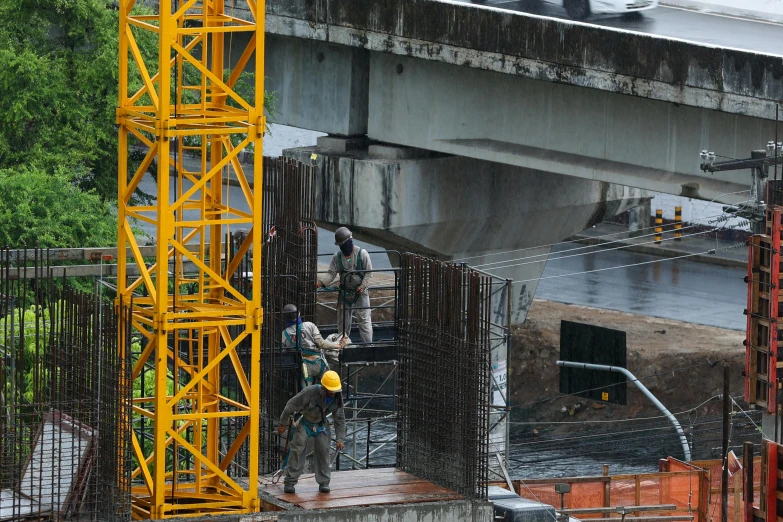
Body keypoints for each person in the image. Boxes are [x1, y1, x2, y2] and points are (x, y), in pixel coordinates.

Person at [277, 371, 346, 494]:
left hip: (321, 425)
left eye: (334, 391)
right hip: (305, 422)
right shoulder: (309, 393)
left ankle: (324, 482)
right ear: (323, 387)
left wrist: (340, 438)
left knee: (324, 453)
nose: (332, 393)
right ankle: (290, 481)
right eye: (329, 390)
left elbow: (339, 419)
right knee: (297, 451)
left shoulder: (337, 398)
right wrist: (282, 423)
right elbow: (290, 406)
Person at [317, 227, 373, 343]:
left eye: (343, 244)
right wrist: (320, 283)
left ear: (350, 241)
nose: (342, 247)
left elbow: (368, 273)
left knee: (364, 321)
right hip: (344, 293)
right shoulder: (337, 257)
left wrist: (362, 286)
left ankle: (368, 347)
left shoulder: (362, 254)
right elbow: (331, 273)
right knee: (343, 323)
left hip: (360, 294)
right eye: (340, 245)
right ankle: (343, 346)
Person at [282, 304, 347, 389]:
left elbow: (285, 353)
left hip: (304, 367)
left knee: (307, 395)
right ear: (299, 314)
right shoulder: (309, 325)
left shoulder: (284, 334)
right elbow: (321, 344)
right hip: (319, 364)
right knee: (330, 389)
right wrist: (339, 345)